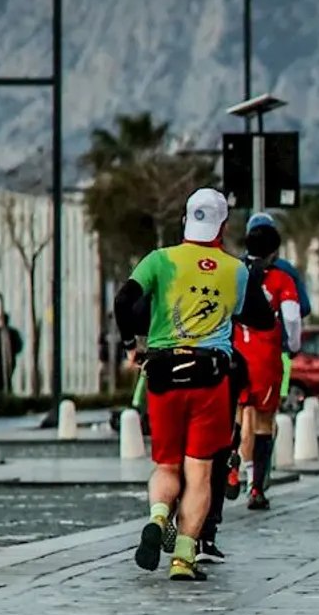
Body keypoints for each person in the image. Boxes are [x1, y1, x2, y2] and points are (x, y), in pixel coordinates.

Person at [114, 188, 273, 582]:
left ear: (185, 220)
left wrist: (131, 344)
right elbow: (264, 319)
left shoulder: (159, 260)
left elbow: (123, 300)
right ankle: (184, 557)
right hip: (210, 378)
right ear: (223, 227)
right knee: (199, 472)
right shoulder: (235, 270)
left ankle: (157, 517)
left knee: (166, 465)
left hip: (163, 375)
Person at [232, 214, 304, 510]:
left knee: (238, 417)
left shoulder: (234, 273)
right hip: (265, 358)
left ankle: (233, 466)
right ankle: (256, 487)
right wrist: (294, 346)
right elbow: (292, 317)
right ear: (275, 251)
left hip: (236, 354)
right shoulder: (281, 278)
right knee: (263, 423)